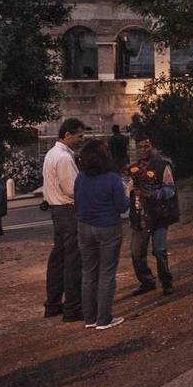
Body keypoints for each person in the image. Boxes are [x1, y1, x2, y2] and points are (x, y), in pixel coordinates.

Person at [75, 139, 128, 330]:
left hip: (84, 226)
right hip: (108, 227)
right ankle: (104, 319)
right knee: (106, 273)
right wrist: (128, 192)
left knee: (88, 272)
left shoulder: (80, 178)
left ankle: (90, 318)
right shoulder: (113, 179)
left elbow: (77, 202)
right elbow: (122, 207)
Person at [43, 118, 86, 321]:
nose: (81, 140)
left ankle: (53, 304)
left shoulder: (52, 154)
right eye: (79, 136)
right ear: (67, 135)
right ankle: (73, 308)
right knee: (73, 260)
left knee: (58, 259)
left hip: (56, 210)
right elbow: (72, 190)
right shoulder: (64, 158)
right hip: (68, 210)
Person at [127, 135, 179, 296]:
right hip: (139, 216)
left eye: (146, 146)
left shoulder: (162, 165)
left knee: (159, 250)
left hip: (158, 215)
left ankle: (166, 281)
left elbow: (170, 190)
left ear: (152, 147)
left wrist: (150, 193)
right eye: (140, 147)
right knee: (136, 252)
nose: (143, 150)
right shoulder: (133, 169)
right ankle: (147, 281)